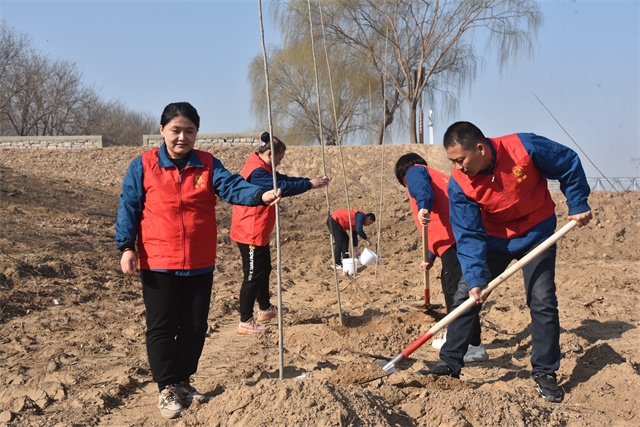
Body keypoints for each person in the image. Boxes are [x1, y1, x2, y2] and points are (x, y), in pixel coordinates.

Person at [115, 102, 281, 419]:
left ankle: (183, 382)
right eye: (176, 130)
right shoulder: (144, 165)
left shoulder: (207, 164)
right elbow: (129, 208)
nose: (182, 137)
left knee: (194, 325)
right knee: (162, 326)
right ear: (162, 130)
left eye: (189, 131)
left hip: (199, 261)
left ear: (196, 133)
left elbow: (231, 186)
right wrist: (127, 247)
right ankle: (166, 388)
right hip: (158, 262)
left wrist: (260, 196)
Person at [419, 121, 592, 403]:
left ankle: (545, 372)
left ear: (480, 148)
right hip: (493, 240)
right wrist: (475, 279)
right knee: (465, 295)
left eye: (461, 160)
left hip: (538, 234)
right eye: (453, 161)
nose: (458, 167)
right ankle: (449, 364)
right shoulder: (460, 183)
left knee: (543, 299)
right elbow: (468, 234)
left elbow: (567, 162)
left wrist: (578, 203)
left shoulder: (524, 147)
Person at [230, 132, 329, 335]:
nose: (280, 163)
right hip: (249, 230)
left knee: (264, 269)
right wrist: (309, 185)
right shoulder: (257, 172)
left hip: (259, 230)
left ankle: (265, 308)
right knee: (251, 275)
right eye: (279, 158)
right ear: (269, 154)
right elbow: (282, 186)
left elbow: (283, 179)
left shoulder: (262, 166)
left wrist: (308, 181)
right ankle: (245, 320)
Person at [394, 153, 487, 363]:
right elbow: (438, 223)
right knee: (457, 286)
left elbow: (423, 193)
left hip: (455, 239)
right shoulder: (437, 175)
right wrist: (430, 256)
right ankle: (464, 339)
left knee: (457, 292)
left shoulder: (415, 171)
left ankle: (470, 344)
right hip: (458, 237)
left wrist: (423, 206)